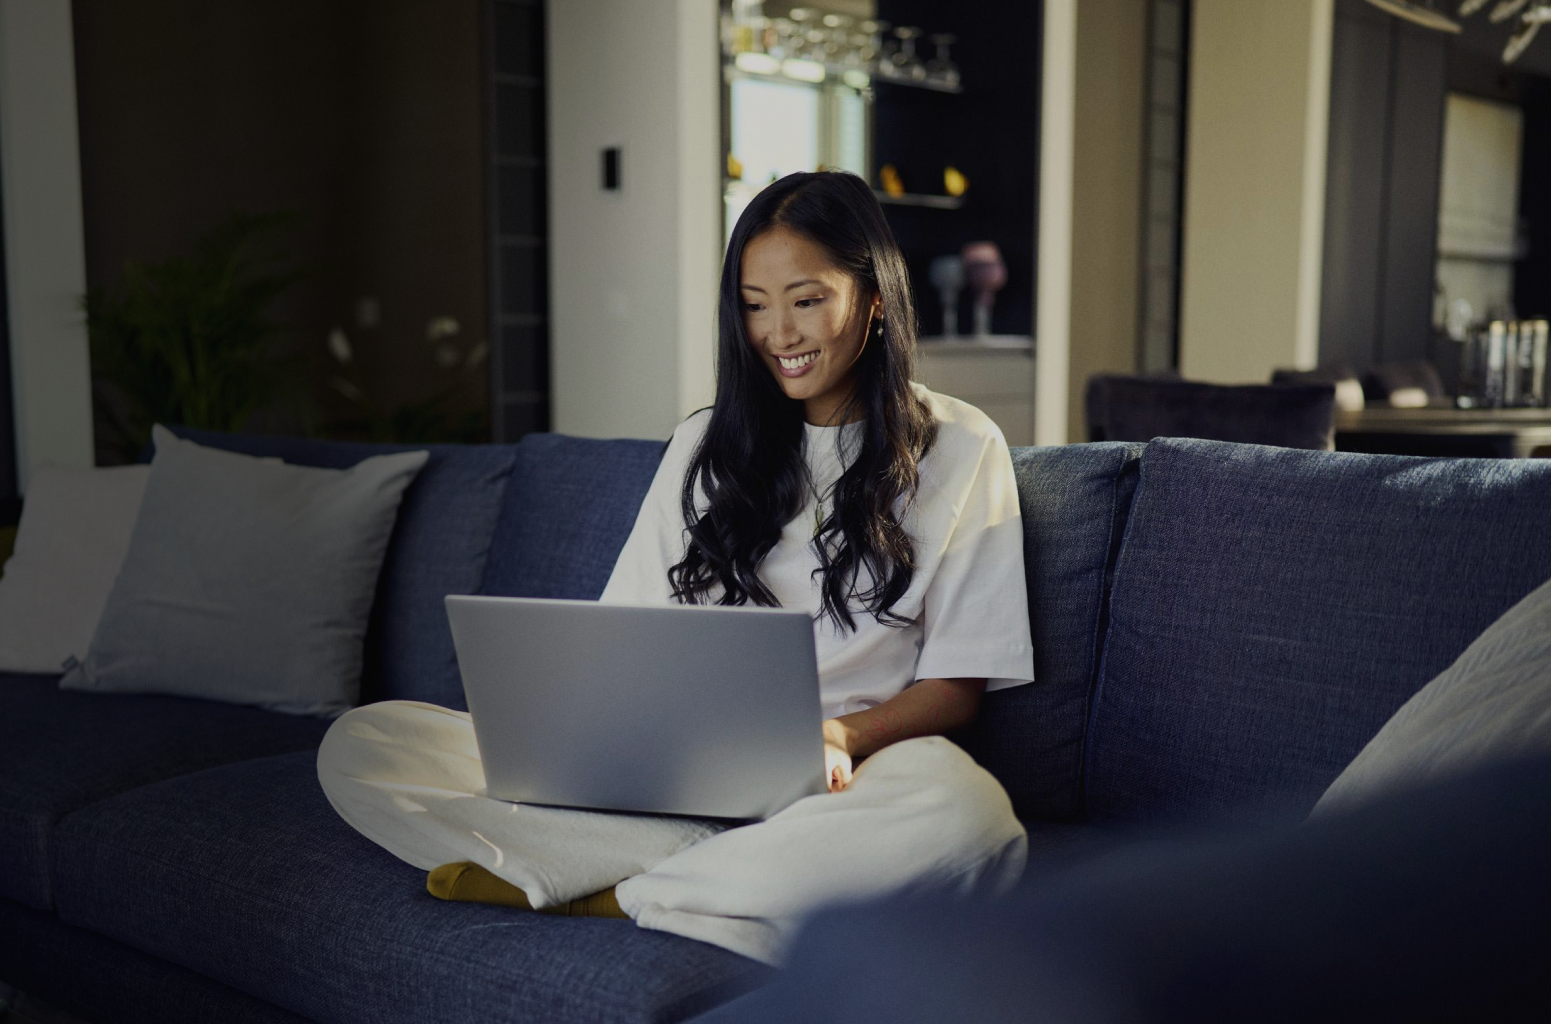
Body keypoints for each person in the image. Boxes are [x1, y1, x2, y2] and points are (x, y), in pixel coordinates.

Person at [318, 170, 1035, 963]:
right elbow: (622, 636)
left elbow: (956, 688)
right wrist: (596, 742)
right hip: (670, 769)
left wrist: (832, 733)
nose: (780, 334)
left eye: (805, 300)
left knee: (970, 815)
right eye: (755, 306)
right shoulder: (703, 445)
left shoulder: (962, 446)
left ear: (873, 297)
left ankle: (609, 888)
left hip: (842, 782)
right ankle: (723, 885)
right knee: (368, 742)